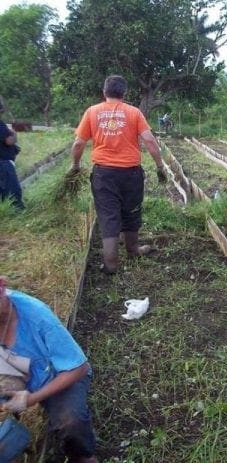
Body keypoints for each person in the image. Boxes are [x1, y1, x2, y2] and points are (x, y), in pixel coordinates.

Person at [69, 75, 167, 274]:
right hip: (131, 173)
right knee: (131, 211)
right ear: (124, 93)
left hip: (104, 174)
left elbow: (79, 143)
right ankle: (133, 251)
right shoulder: (134, 113)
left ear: (104, 92)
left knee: (108, 216)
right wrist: (159, 167)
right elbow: (149, 141)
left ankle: (111, 264)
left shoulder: (92, 112)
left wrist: (75, 165)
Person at [0, 277, 98, 462]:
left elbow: (79, 368)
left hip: (59, 375)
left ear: (2, 287)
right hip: (16, 365)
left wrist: (32, 398)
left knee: (70, 421)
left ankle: (82, 456)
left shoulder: (36, 316)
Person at [0, 108, 25, 210]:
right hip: (3, 163)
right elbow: (9, 141)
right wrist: (14, 133)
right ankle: (16, 212)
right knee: (12, 193)